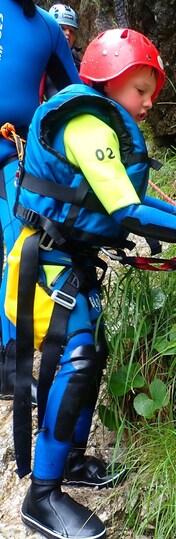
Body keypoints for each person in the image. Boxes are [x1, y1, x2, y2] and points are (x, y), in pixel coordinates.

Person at [6, 28, 176, 539]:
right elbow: (125, 210)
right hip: (49, 267)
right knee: (77, 358)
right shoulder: (86, 124)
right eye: (140, 90)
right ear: (112, 80)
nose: (147, 104)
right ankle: (42, 495)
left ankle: (71, 460)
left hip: (69, 262)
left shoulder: (97, 123)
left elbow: (109, 190)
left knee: (92, 354)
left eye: (151, 93)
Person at [0, 0, 82, 400]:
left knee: (21, 249)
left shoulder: (47, 28)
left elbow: (76, 92)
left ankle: (10, 369)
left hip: (11, 157)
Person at [43, 4, 81, 100]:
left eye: (71, 31)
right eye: (62, 28)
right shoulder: (40, 55)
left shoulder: (75, 59)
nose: (68, 33)